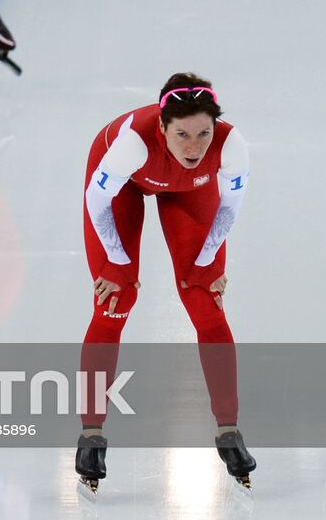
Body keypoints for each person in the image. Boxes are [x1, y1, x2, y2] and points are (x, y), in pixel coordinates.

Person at [76, 73, 257, 494]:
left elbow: (230, 207)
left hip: (186, 192)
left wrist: (207, 259)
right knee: (112, 302)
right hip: (120, 189)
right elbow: (97, 198)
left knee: (206, 302)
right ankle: (90, 435)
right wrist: (117, 261)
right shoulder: (132, 144)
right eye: (182, 135)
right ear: (162, 128)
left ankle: (229, 430)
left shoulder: (231, 146)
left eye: (203, 134)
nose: (194, 147)